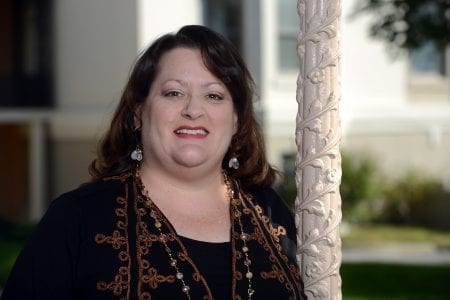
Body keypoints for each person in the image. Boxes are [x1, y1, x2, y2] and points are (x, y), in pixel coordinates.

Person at [1, 25, 306, 300]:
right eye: (174, 93)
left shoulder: (270, 213)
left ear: (237, 119)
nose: (193, 110)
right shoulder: (77, 219)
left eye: (214, 96)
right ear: (138, 113)